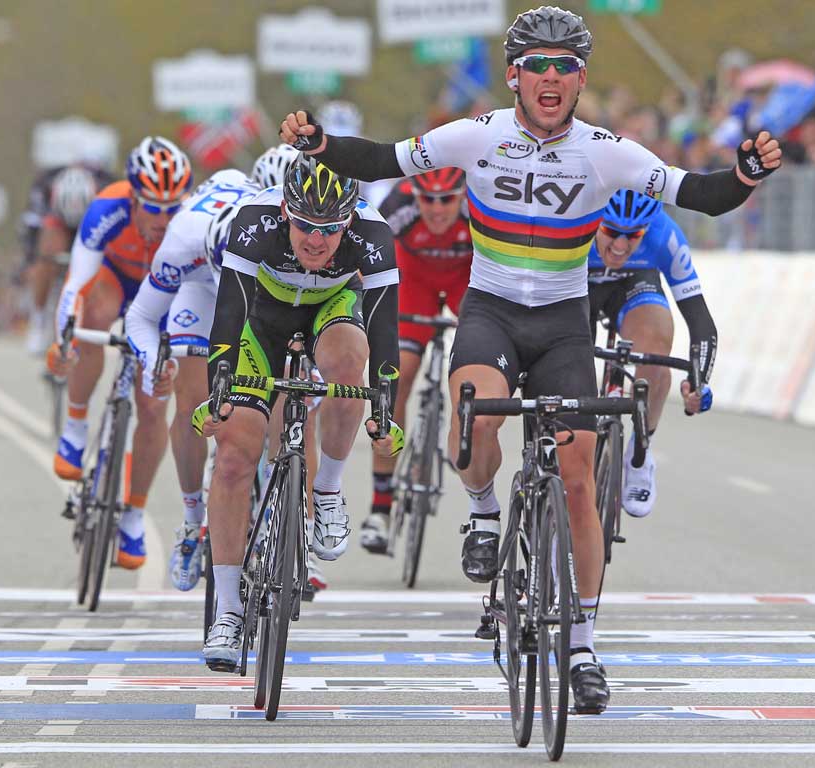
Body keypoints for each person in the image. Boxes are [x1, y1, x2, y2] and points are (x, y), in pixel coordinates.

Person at [280, 5, 780, 715]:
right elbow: (384, 158)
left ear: (580, 80)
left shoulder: (608, 151)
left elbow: (700, 194)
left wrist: (746, 173)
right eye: (537, 66)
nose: (551, 77)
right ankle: (484, 515)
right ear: (514, 75)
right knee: (474, 423)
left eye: (565, 67)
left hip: (563, 327)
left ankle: (582, 646)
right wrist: (321, 145)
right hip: (491, 315)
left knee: (578, 477)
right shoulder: (474, 136)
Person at [191, 154, 403, 671]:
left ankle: (326, 492)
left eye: (330, 229)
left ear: (349, 218)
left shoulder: (373, 235)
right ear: (285, 211)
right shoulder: (253, 223)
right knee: (237, 456)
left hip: (331, 311)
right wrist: (220, 387)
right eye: (305, 225)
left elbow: (384, 330)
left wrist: (384, 404)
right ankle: (228, 609)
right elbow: (227, 314)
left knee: (352, 356)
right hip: (258, 321)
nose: (316, 240)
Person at [48, 136, 193, 569]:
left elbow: (198, 294)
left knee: (153, 405)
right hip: (115, 278)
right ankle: (75, 428)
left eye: (173, 208)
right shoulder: (106, 210)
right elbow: (76, 283)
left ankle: (133, 513)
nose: (164, 219)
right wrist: (63, 341)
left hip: (165, 294)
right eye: (153, 207)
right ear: (133, 198)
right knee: (93, 319)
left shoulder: (191, 220)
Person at [124, 169, 260, 590]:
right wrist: (153, 361)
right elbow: (141, 317)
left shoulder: (271, 233)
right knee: (191, 401)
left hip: (261, 280)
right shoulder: (182, 241)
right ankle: (191, 519)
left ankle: (276, 498)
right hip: (198, 288)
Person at [359, 166, 473, 554]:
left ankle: (461, 438)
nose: (437, 209)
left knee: (474, 374)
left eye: (447, 200)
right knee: (397, 377)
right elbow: (367, 257)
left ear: (461, 196)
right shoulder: (398, 206)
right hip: (414, 282)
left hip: (466, 279)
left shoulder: (479, 205)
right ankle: (380, 507)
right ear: (415, 195)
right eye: (429, 200)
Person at [588, 190, 716, 517]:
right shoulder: (575, 217)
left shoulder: (663, 233)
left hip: (635, 285)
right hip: (578, 282)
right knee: (568, 350)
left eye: (633, 236)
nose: (620, 245)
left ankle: (639, 455)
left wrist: (698, 381)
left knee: (656, 352)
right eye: (612, 231)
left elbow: (700, 318)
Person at [21, 164, 114, 355]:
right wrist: (35, 261)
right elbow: (30, 232)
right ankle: (39, 318)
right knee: (47, 247)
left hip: (91, 224)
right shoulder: (43, 188)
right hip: (57, 224)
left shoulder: (106, 190)